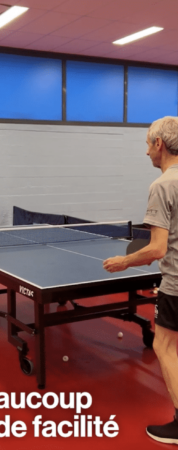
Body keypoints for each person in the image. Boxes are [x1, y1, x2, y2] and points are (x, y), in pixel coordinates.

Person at [103, 116, 178, 445]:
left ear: (159, 144)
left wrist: (125, 261)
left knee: (164, 346)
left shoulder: (162, 185)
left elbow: (157, 249)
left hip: (176, 284)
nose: (146, 151)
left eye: (148, 144)